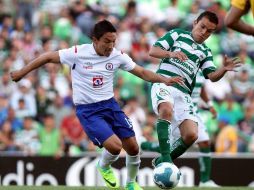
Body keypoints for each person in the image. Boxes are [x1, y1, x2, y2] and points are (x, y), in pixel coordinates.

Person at [10, 20, 184, 190]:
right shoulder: (77, 53)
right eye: (107, 41)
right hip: (88, 111)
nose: (110, 46)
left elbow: (142, 71)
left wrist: (165, 80)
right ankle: (103, 166)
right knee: (115, 147)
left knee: (133, 147)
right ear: (95, 40)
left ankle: (131, 184)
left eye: (113, 41)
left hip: (110, 105)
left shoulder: (117, 55)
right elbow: (47, 57)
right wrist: (21, 72)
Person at [148, 11, 241, 168]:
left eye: (209, 31)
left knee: (192, 135)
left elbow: (211, 76)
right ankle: (166, 163)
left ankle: (159, 161)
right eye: (202, 27)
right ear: (195, 23)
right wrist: (171, 54)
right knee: (165, 110)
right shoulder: (177, 34)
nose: (204, 32)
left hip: (184, 93)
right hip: (165, 83)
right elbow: (153, 51)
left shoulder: (205, 52)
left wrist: (223, 69)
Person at [141, 70, 220, 187]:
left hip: (193, 109)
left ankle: (205, 180)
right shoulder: (180, 68)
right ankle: (144, 145)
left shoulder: (199, 69)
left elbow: (202, 87)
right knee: (174, 144)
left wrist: (209, 104)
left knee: (204, 142)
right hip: (178, 107)